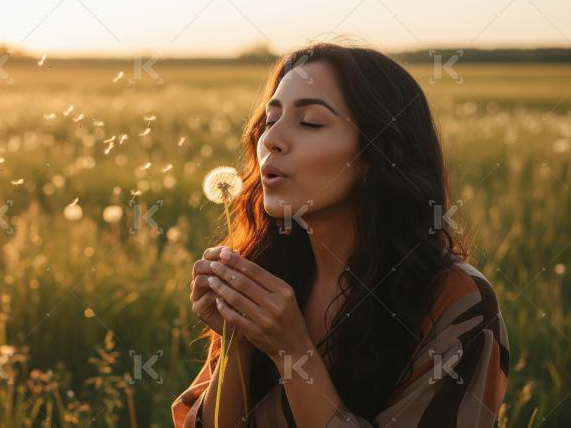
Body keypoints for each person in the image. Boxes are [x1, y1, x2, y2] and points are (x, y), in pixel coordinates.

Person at [172, 42, 509, 427]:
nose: (271, 141)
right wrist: (238, 340)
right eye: (269, 121)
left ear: (375, 154)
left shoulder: (455, 301)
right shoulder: (266, 274)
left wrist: (291, 352)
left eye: (310, 122)